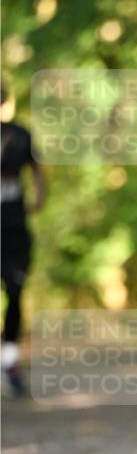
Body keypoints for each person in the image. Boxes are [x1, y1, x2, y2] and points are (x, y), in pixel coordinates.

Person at [1, 83, 46, 397]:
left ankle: (10, 364)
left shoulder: (21, 134)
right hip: (13, 224)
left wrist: (39, 198)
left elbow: (38, 171)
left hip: (15, 226)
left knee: (16, 291)